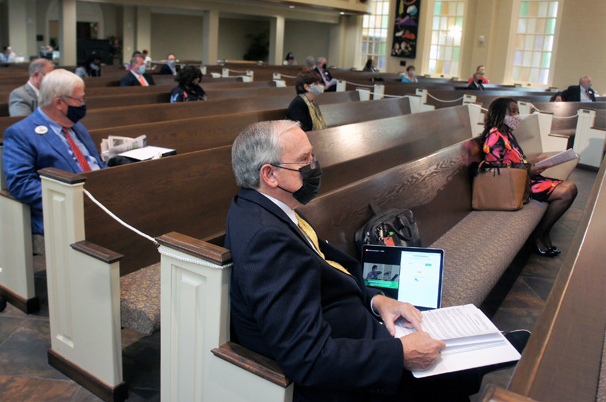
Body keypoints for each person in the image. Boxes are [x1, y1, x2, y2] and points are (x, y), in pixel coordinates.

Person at [225, 120, 516, 401]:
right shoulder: (266, 239)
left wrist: (377, 300)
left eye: (313, 155)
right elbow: (308, 358)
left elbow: (329, 268)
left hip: (362, 331)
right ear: (269, 174)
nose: (315, 165)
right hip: (353, 376)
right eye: (305, 159)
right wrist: (400, 355)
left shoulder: (266, 206)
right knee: (452, 374)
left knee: (459, 363)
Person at [3, 69, 105, 250]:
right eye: (79, 99)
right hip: (65, 211)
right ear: (59, 102)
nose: (83, 104)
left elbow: (95, 162)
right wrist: (73, 198)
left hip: (101, 199)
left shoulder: (76, 126)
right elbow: (21, 184)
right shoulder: (21, 133)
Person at [481, 98, 577, 256]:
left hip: (523, 178)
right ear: (499, 113)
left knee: (570, 188)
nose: (517, 115)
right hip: (511, 186)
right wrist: (528, 169)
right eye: (512, 111)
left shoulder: (507, 134)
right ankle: (539, 235)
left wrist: (534, 163)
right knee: (567, 192)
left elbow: (514, 160)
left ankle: (543, 232)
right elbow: (496, 171)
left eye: (517, 111)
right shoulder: (494, 137)